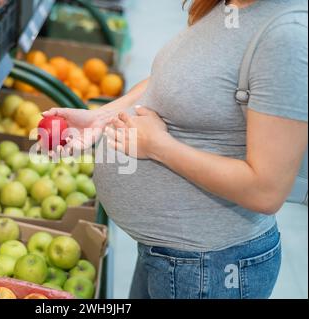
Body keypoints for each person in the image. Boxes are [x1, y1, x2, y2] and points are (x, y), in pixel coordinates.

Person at [44, 0, 308, 299]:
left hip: (209, 269)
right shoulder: (226, 6)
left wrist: (159, 147)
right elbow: (173, 82)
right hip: (169, 256)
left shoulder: (288, 37)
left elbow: (266, 190)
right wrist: (103, 117)